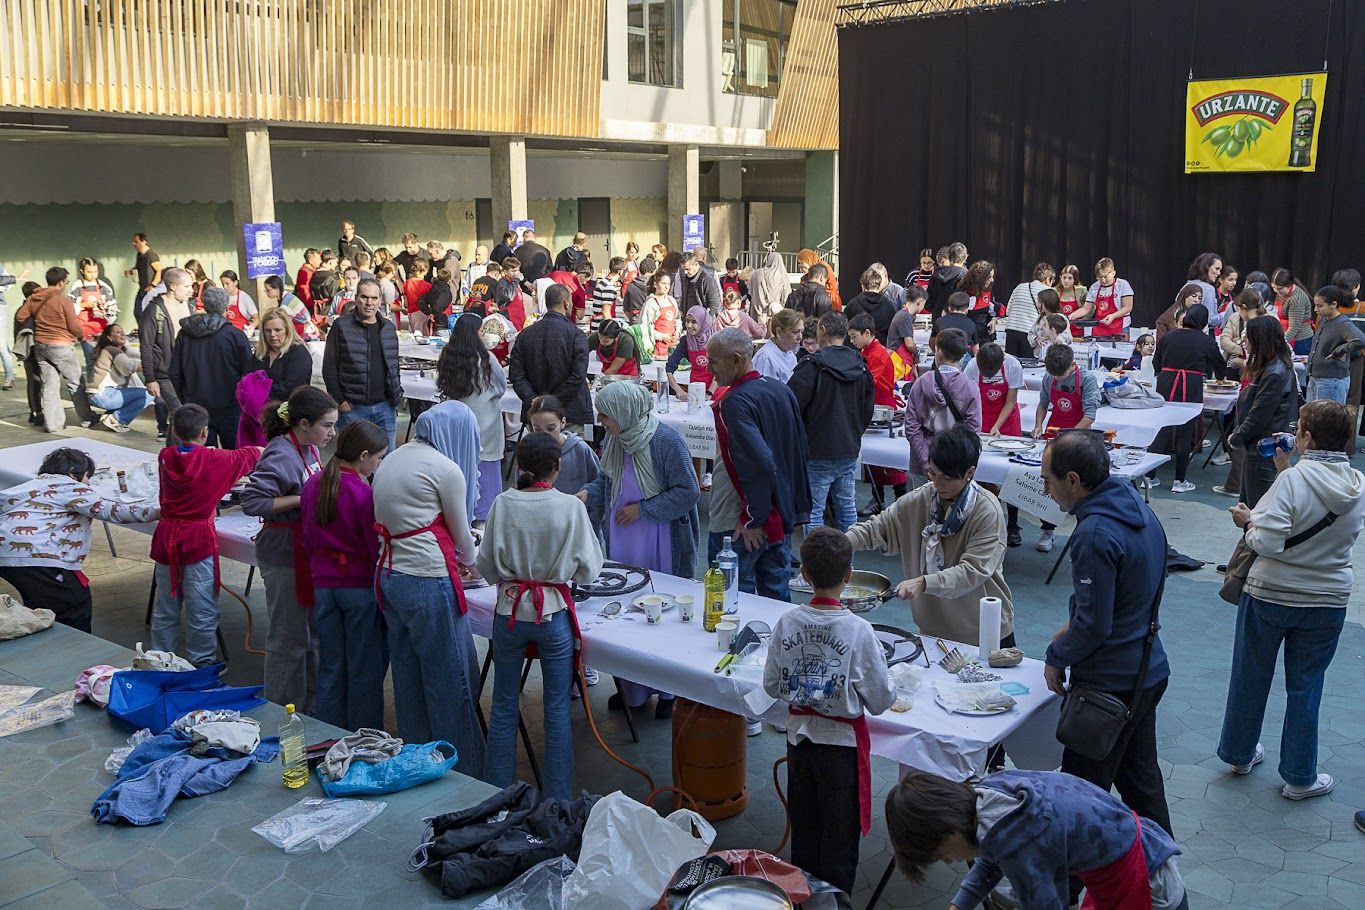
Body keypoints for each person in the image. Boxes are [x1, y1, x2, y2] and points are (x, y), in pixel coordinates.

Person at [1218, 400, 1364, 803]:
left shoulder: (1292, 481)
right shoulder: (1357, 484)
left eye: (1299, 427)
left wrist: (1248, 522)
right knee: (1306, 686)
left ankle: (1239, 754)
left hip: (1270, 594)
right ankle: (1300, 776)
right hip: (1327, 598)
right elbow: (1316, 509)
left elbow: (1269, 541)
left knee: (1250, 675)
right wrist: (1287, 469)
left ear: (1307, 437)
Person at [1042, 430, 1173, 838]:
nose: (1046, 490)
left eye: (1048, 480)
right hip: (1146, 672)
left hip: (1106, 689)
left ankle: (1065, 890)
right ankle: (1165, 884)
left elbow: (1095, 627)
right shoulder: (1138, 508)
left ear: (1074, 481)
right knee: (1143, 787)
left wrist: (1056, 654)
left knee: (1079, 799)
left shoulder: (1094, 533)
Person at [763, 527, 894, 897]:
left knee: (805, 832)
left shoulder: (787, 623)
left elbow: (772, 685)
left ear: (803, 574)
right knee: (838, 842)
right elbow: (881, 700)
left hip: (799, 743)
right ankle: (835, 904)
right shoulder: (859, 630)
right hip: (841, 750)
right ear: (849, 576)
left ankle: (804, 900)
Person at [478, 433, 605, 800]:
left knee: (502, 704)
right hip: (553, 615)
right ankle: (557, 802)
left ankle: (495, 799)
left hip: (511, 611)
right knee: (555, 709)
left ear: (519, 465)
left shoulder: (503, 503)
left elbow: (486, 567)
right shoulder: (569, 507)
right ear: (558, 467)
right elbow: (589, 571)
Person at [885, 769, 1188, 910]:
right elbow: (992, 858)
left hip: (1144, 881)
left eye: (942, 854)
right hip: (1123, 848)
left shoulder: (1022, 844)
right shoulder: (988, 795)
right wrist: (960, 905)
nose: (950, 861)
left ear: (950, 830)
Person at [371, 402, 484, 777]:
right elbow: (462, 538)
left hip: (389, 575)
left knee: (408, 678)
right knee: (451, 681)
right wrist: (475, 560)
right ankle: (463, 772)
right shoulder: (445, 469)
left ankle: (417, 762)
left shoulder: (394, 457)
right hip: (426, 579)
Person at [581, 382, 699, 717]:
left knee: (660, 614)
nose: (601, 419)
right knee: (627, 617)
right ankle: (632, 690)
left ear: (624, 412)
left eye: (606, 414)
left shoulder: (665, 441)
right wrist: (588, 495)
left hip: (658, 541)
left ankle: (667, 692)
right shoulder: (616, 442)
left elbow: (688, 492)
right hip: (624, 541)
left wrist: (643, 510)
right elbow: (606, 482)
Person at [848, 424, 1014, 645]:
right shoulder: (920, 499)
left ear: (969, 473)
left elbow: (972, 571)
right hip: (933, 630)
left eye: (947, 478)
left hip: (983, 630)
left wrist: (924, 583)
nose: (937, 483)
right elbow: (876, 528)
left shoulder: (987, 511)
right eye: (933, 473)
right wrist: (840, 545)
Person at [241, 386, 338, 712]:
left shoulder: (308, 449)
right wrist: (304, 499)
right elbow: (253, 501)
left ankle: (307, 710)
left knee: (309, 637)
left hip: (303, 552)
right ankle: (279, 713)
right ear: (304, 423)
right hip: (284, 556)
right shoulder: (282, 452)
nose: (332, 433)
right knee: (288, 641)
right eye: (327, 425)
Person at [148, 405, 262, 664]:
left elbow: (187, 458)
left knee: (166, 606)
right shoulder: (219, 460)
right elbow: (256, 452)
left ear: (174, 432)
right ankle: (202, 665)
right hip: (197, 540)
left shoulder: (165, 456)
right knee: (202, 609)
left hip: (167, 538)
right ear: (205, 432)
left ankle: (157, 661)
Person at [0, 447, 159, 633]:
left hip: (6, 555)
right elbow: (109, 510)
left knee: (41, 601)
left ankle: (43, 642)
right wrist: (155, 513)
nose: (88, 483)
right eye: (87, 477)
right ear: (74, 473)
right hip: (38, 556)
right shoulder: (70, 487)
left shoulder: (27, 487)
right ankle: (75, 651)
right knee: (74, 604)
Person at [708, 328, 811, 600]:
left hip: (743, 519)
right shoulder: (780, 389)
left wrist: (754, 517)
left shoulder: (736, 402)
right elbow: (798, 451)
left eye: (714, 361)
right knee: (776, 595)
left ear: (737, 359)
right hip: (776, 513)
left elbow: (759, 462)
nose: (709, 369)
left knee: (731, 597)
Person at [301, 419, 388, 732]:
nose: (378, 465)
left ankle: (327, 733)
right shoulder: (363, 494)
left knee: (331, 663)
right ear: (363, 456)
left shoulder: (314, 483)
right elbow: (372, 545)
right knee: (364, 666)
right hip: (358, 586)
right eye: (378, 458)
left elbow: (308, 537)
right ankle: (364, 737)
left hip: (324, 584)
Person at [788, 312, 874, 531]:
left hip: (817, 450)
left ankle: (817, 565)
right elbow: (867, 410)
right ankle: (848, 562)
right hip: (848, 448)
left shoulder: (811, 366)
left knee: (814, 513)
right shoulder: (861, 366)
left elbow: (791, 407)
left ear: (822, 330)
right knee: (847, 509)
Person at [437, 313, 509, 522]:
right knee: (485, 474)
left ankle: (459, 513)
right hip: (485, 422)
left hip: (457, 423)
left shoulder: (448, 357)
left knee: (460, 470)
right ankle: (483, 517)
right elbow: (501, 386)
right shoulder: (486, 358)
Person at [1032, 343, 1102, 551]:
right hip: (1055, 433)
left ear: (1073, 365)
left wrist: (1070, 436)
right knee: (1050, 484)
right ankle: (1048, 529)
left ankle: (1084, 534)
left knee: (1078, 487)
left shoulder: (1087, 380)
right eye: (1055, 377)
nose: (1058, 380)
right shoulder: (1049, 377)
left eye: (1062, 376)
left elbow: (1090, 415)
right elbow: (1043, 404)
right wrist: (1038, 425)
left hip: (1080, 437)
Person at [1223, 315, 1298, 507]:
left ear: (1259, 339)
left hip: (1263, 446)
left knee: (1256, 510)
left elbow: (1259, 415)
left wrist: (1237, 436)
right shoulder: (1275, 366)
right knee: (1251, 506)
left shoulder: (1274, 372)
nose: (1243, 342)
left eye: (1247, 337)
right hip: (1262, 445)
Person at [1153, 305, 1226, 492]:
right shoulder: (1206, 341)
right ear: (1202, 321)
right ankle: (1179, 481)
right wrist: (1219, 376)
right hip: (1191, 386)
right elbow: (1219, 364)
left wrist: (1161, 374)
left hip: (1166, 384)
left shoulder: (1169, 336)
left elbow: (1156, 362)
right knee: (1185, 433)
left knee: (1161, 430)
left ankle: (1150, 477)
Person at [324, 278, 402, 451]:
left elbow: (393, 366)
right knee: (350, 461)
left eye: (374, 298)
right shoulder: (341, 326)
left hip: (385, 407)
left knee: (388, 461)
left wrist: (395, 396)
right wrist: (339, 399)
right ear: (356, 298)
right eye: (364, 297)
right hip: (352, 408)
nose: (369, 303)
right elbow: (329, 366)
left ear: (380, 300)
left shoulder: (388, 328)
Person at [170, 287, 253, 449]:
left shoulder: (185, 334)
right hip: (230, 406)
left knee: (202, 457)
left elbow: (174, 372)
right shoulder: (235, 335)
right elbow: (248, 373)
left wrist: (186, 397)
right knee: (233, 457)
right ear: (226, 308)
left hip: (196, 406)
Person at [17, 267, 98, 433]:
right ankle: (86, 418)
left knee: (50, 386)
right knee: (75, 383)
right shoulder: (63, 301)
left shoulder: (34, 298)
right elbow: (74, 326)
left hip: (40, 347)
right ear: (61, 282)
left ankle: (53, 424)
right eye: (66, 282)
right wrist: (81, 336)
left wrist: (39, 322)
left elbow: (20, 316)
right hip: (61, 346)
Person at [508, 284, 592, 430]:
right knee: (568, 451)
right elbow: (578, 376)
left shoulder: (525, 334)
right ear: (566, 303)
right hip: (568, 411)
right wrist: (549, 401)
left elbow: (516, 375)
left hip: (536, 412)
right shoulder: (575, 334)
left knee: (538, 452)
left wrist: (534, 399)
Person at [965, 342, 1025, 545]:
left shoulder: (1013, 365)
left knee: (1012, 475)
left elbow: (1010, 402)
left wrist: (997, 426)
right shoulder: (973, 366)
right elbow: (968, 399)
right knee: (982, 473)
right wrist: (976, 426)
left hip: (1007, 422)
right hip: (981, 420)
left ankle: (1014, 524)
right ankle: (987, 521)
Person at [905, 327, 980, 484]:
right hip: (955, 465)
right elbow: (973, 431)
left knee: (921, 505)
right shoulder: (970, 387)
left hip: (922, 462)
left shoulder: (920, 383)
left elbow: (912, 427)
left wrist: (926, 462)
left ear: (938, 352)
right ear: (962, 355)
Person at [528, 395, 601, 496]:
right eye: (538, 430)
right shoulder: (529, 451)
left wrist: (588, 493)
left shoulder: (580, 448)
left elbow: (599, 481)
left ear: (563, 422)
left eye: (551, 428)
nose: (545, 435)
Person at [89, 323, 153, 433]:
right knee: (149, 394)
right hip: (103, 395)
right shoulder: (112, 350)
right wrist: (152, 365)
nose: (123, 335)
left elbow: (136, 353)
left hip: (100, 395)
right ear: (109, 337)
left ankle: (109, 415)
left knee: (130, 392)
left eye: (123, 333)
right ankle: (117, 419)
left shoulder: (112, 350)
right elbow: (128, 366)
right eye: (118, 332)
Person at [1305, 286, 1365, 405]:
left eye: (1320, 306)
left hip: (1331, 381)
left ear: (1333, 304)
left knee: (1328, 419)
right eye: (1315, 305)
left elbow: (1360, 340)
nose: (1316, 309)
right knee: (1312, 418)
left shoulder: (1342, 323)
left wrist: (1340, 350)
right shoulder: (1324, 320)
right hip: (1316, 378)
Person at [67, 257, 117, 372]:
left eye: (95, 271)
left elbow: (113, 307)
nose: (93, 275)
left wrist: (106, 311)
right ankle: (92, 388)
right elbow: (71, 308)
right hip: (85, 329)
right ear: (82, 271)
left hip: (102, 329)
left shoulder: (104, 287)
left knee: (106, 360)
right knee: (91, 360)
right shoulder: (77, 287)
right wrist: (84, 305)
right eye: (89, 272)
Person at [252, 307, 313, 402]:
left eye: (277, 330)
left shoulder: (299, 353)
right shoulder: (260, 353)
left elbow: (290, 389)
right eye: (268, 330)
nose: (272, 334)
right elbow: (246, 379)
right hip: (259, 412)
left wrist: (257, 389)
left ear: (287, 330)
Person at [1003, 262, 1054, 358]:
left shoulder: (1019, 287)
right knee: (1028, 367)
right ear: (1048, 279)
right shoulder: (1048, 292)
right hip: (1029, 333)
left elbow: (1008, 311)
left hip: (1011, 330)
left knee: (1011, 365)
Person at [666, 306, 717, 400]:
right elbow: (669, 368)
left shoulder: (716, 340)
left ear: (703, 322)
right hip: (695, 391)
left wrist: (709, 393)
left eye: (694, 322)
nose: (689, 325)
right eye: (687, 321)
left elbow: (721, 371)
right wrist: (679, 390)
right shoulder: (685, 341)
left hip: (715, 391)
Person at [1077, 257, 1134, 339]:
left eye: (1105, 277)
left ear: (1113, 273)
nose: (1103, 280)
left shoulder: (1123, 285)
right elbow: (1086, 309)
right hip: (1100, 328)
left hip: (1120, 327)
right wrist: (1072, 316)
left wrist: (1113, 316)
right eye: (1100, 277)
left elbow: (1128, 307)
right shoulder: (1094, 287)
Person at [843, 267, 898, 345]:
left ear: (862, 287)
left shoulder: (852, 304)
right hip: (880, 348)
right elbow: (892, 331)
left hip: (856, 349)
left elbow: (845, 328)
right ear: (879, 287)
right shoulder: (889, 305)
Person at [264, 274, 320, 342]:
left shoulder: (285, 305)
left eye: (268, 290)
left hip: (305, 334)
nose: (266, 293)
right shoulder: (287, 296)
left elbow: (283, 324)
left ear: (276, 288)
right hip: (307, 329)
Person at [753, 308, 803, 383]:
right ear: (779, 332)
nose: (800, 337)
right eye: (795, 332)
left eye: (801, 332)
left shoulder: (788, 352)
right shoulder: (766, 358)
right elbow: (766, 391)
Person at [1271, 267, 1314, 354]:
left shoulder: (1296, 299)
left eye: (1279, 288)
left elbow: (1294, 328)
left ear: (1289, 285)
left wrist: (1278, 344)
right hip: (1284, 335)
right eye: (1274, 288)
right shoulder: (1281, 293)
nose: (1276, 291)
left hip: (1300, 341)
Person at [641, 271, 680, 360]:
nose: (666, 287)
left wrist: (677, 332)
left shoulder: (672, 300)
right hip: (656, 349)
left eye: (668, 284)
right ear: (655, 284)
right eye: (663, 283)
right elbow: (645, 328)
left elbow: (677, 319)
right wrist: (662, 336)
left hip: (672, 347)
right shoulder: (650, 303)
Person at [926, 241, 968, 322]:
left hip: (937, 320)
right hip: (958, 321)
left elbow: (928, 302)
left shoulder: (935, 274)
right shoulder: (965, 275)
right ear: (965, 257)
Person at [126, 232, 163, 322]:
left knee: (148, 314)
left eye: (136, 241)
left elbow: (159, 270)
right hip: (142, 289)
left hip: (151, 290)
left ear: (144, 242)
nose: (134, 244)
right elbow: (138, 268)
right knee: (138, 312)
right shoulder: (139, 255)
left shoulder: (151, 255)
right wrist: (130, 272)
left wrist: (153, 285)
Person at [887, 285, 928, 357]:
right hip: (898, 359)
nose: (923, 308)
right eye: (923, 304)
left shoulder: (904, 314)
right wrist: (917, 353)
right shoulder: (905, 316)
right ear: (919, 302)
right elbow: (909, 344)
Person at [749, 250, 791, 318]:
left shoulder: (756, 273)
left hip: (757, 314)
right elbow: (786, 296)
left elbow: (750, 292)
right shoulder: (782, 276)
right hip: (774, 314)